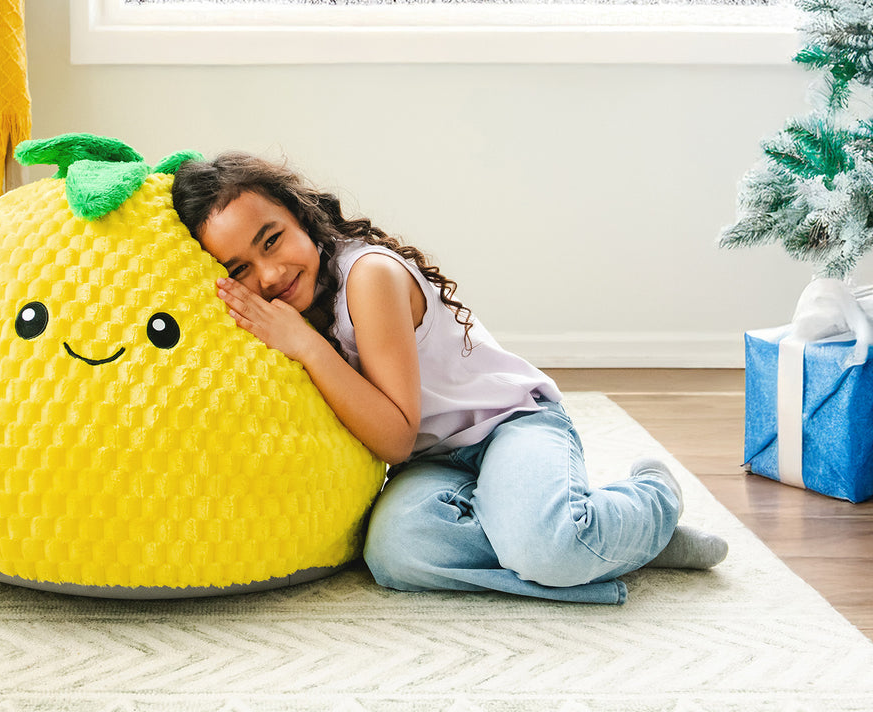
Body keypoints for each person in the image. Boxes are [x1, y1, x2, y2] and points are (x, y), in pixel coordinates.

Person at [172, 152, 728, 605]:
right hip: (435, 461)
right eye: (239, 269)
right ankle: (580, 535)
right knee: (398, 555)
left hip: (509, 425)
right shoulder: (287, 311)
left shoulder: (368, 276)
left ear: (301, 215)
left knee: (544, 549)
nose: (269, 274)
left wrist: (306, 346)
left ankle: (647, 500)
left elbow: (395, 436)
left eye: (272, 240)